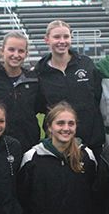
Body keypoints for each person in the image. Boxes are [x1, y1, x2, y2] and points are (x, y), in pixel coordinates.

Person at [35, 20, 103, 154]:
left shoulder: (86, 64)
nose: (62, 41)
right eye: (56, 37)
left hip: (91, 142)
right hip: (59, 143)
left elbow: (98, 96)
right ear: (47, 40)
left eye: (66, 36)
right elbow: (39, 105)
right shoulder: (39, 72)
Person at [0, 31, 41, 149]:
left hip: (29, 143)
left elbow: (37, 107)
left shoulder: (33, 80)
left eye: (21, 51)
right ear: (2, 50)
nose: (16, 55)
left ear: (26, 54)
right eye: (11, 50)